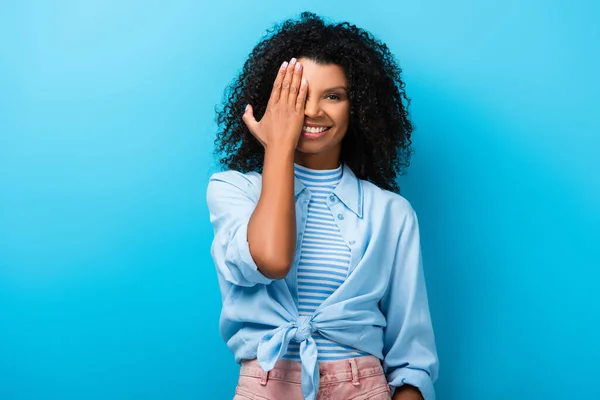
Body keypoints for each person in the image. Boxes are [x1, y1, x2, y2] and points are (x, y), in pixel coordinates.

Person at [207, 11, 439, 400]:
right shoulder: (233, 191)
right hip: (267, 386)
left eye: (333, 96)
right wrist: (278, 146)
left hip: (363, 388)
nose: (313, 111)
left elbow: (411, 356)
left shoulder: (392, 213)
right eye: (296, 95)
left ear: (359, 107)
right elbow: (271, 259)